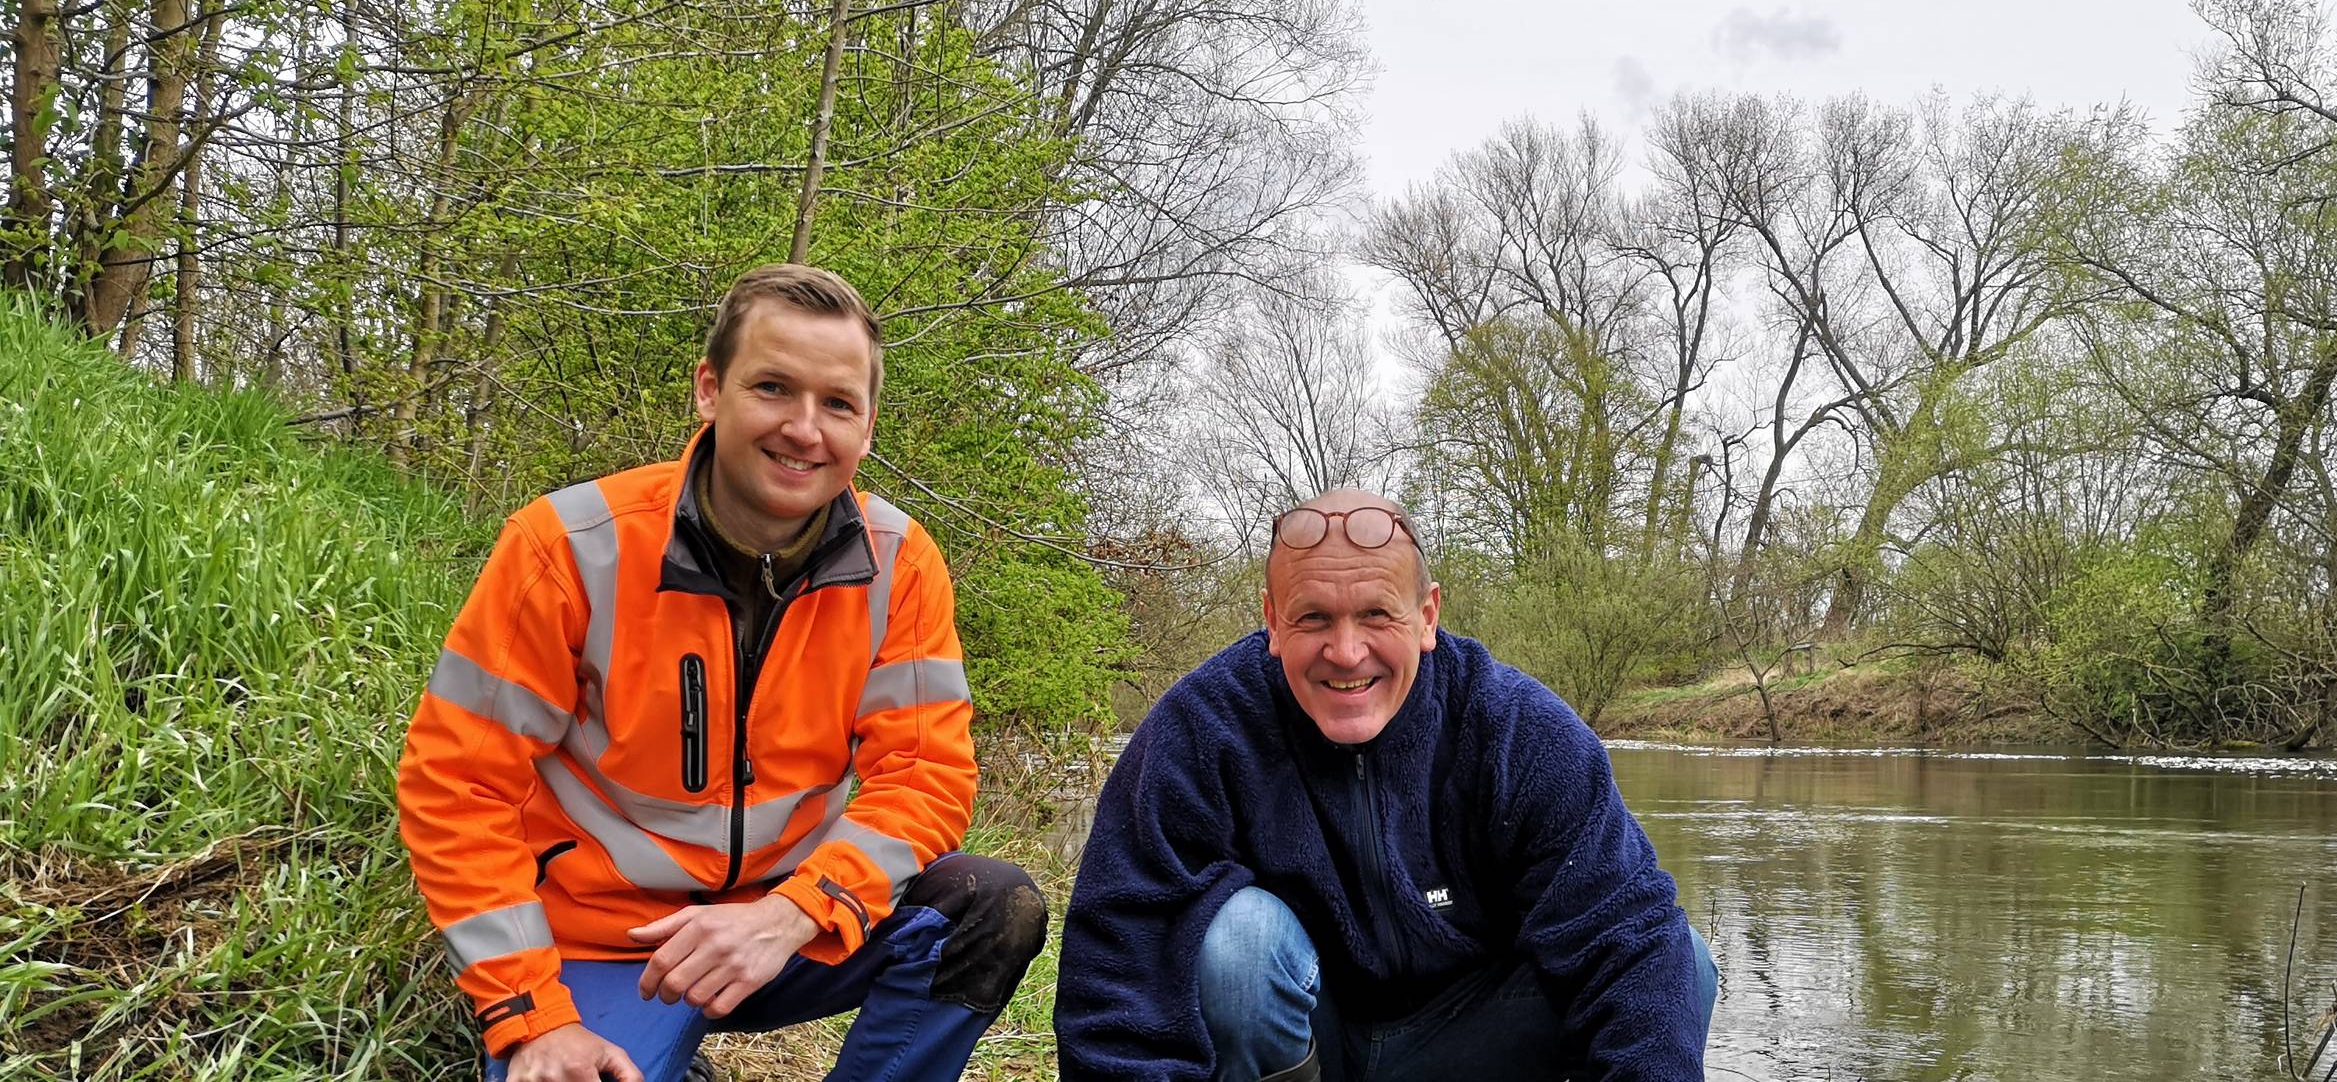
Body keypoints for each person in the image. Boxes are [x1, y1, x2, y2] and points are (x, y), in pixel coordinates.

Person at [396, 264, 1047, 1082]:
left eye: (838, 403)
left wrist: (792, 911)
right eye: (773, 388)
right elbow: (457, 787)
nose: (805, 429)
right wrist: (530, 1016)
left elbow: (923, 775)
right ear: (710, 390)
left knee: (991, 907)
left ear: (868, 425)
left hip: (786, 925)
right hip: (604, 942)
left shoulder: (900, 565)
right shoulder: (566, 545)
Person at [1055, 489, 1716, 1082]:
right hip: (1310, 1041)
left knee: (1679, 962)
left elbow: (1626, 937)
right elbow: (1121, 957)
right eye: (1313, 618)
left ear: (1426, 616)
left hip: (1474, 1041)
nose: (1346, 652)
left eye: (1376, 615)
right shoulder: (1203, 729)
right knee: (1236, 942)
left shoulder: (1518, 730)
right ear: (1273, 621)